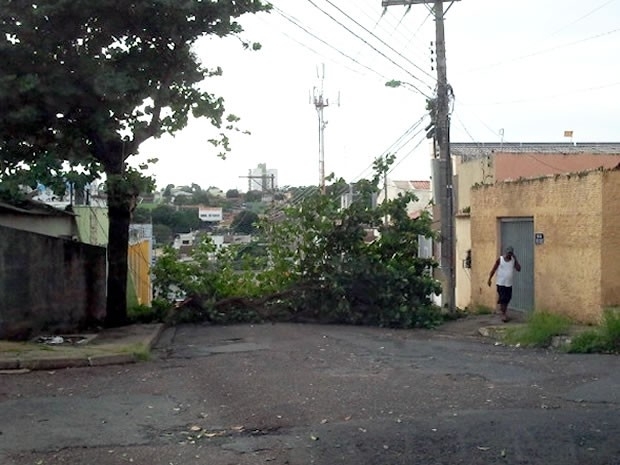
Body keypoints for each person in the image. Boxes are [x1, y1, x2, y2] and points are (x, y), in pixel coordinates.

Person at [487, 246, 521, 322]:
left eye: (511, 253)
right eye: (508, 253)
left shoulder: (513, 260)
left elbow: (519, 269)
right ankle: (503, 314)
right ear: (506, 253)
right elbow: (494, 269)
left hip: (509, 284)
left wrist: (515, 259)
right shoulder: (500, 259)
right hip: (501, 283)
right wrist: (489, 279)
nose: (509, 255)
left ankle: (503, 311)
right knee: (503, 299)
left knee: (508, 298)